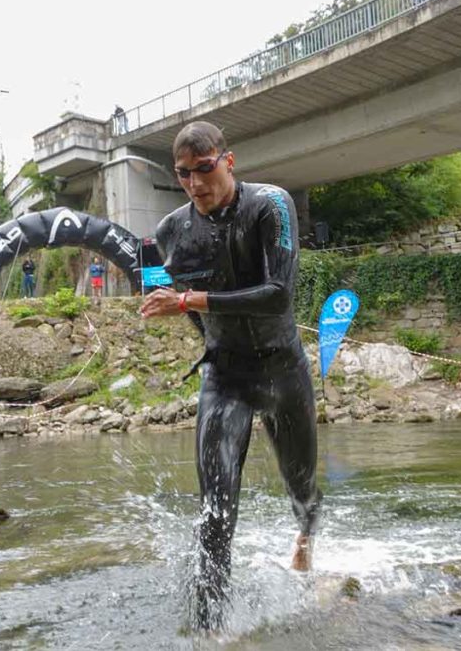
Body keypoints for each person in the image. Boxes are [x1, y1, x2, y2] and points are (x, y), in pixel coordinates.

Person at [139, 121, 320, 630]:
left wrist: (190, 300)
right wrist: (205, 327)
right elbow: (191, 307)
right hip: (225, 376)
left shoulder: (270, 204)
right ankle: (210, 629)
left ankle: (306, 537)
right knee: (215, 512)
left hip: (283, 369)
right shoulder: (172, 230)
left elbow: (278, 295)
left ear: (228, 161)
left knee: (301, 486)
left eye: (204, 169)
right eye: (183, 174)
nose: (195, 183)